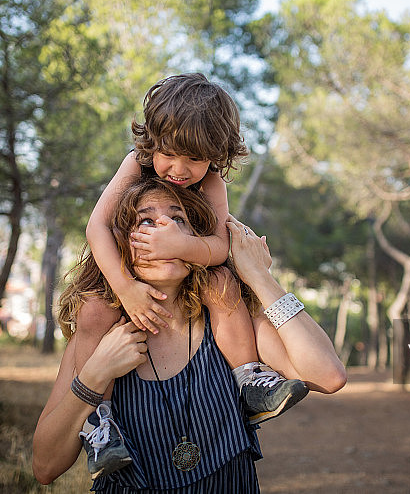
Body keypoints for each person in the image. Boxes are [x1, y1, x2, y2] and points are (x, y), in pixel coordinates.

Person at [32, 178, 346, 491]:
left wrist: (261, 279)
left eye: (177, 219)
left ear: (195, 240)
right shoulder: (99, 334)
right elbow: (45, 467)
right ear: (119, 247)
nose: (164, 228)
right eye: (146, 220)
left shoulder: (228, 317)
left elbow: (328, 375)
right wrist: (93, 376)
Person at [77, 73, 306, 477]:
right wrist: (126, 289)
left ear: (216, 157)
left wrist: (182, 247)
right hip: (123, 268)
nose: (179, 170)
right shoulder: (136, 163)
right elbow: (97, 227)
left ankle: (248, 379)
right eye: (169, 154)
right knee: (94, 312)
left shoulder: (212, 181)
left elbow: (218, 245)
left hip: (189, 271)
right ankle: (100, 422)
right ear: (151, 141)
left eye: (195, 160)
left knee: (222, 285)